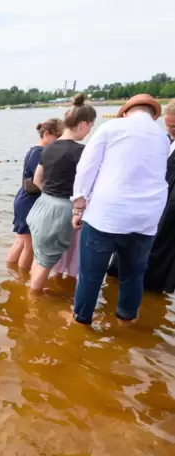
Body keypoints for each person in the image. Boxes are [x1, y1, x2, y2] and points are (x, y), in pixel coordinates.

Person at [71, 95, 169, 324]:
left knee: (91, 276)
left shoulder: (111, 127)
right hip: (146, 219)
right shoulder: (163, 138)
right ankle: (127, 319)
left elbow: (86, 167)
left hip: (106, 215)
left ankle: (81, 319)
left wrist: (78, 206)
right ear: (154, 116)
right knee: (133, 275)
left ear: (125, 112)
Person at [26, 93, 96, 293]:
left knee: (39, 256)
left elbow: (38, 179)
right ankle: (34, 302)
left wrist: (50, 194)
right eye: (90, 127)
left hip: (41, 205)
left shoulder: (48, 148)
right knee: (46, 261)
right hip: (62, 209)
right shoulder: (81, 151)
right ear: (83, 124)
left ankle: (31, 293)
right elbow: (86, 186)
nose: (89, 132)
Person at [109, 99, 175, 292]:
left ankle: (148, 291)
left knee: (158, 245)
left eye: (174, 127)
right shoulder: (165, 139)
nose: (170, 130)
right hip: (154, 197)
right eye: (168, 125)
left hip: (169, 206)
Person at [7, 118, 64, 270]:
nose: (59, 141)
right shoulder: (41, 153)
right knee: (29, 245)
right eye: (58, 137)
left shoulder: (34, 150)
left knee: (20, 242)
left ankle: (13, 275)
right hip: (29, 202)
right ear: (46, 134)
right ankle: (21, 277)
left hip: (24, 199)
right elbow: (42, 181)